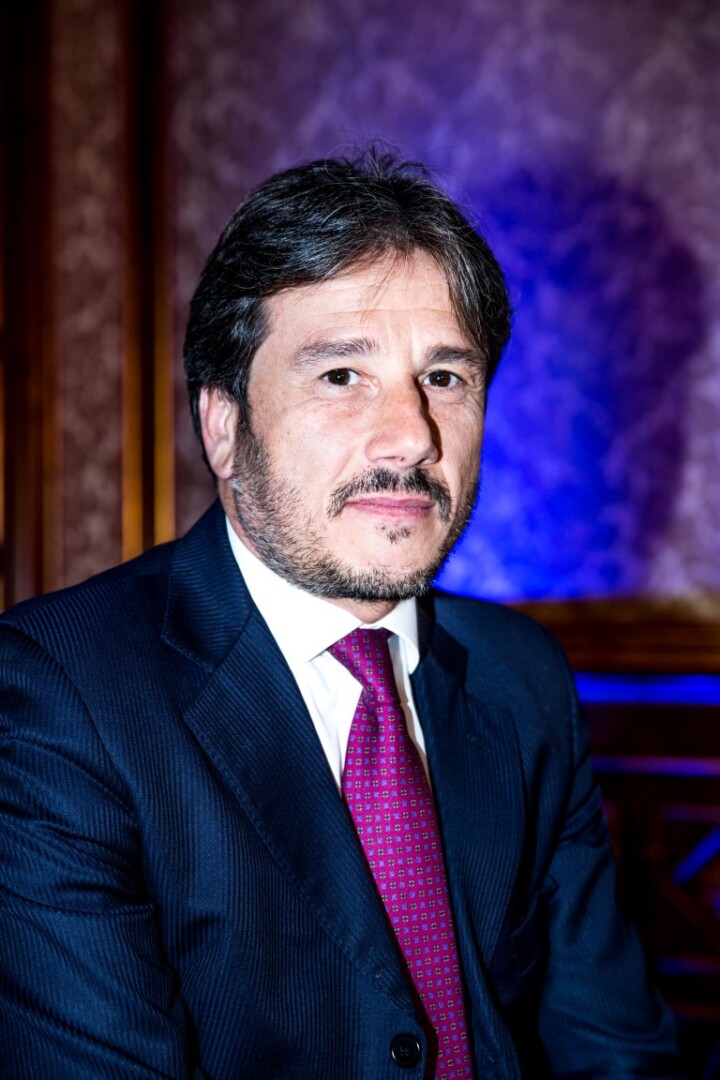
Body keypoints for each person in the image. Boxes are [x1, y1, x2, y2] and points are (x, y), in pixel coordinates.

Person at [0, 149, 682, 1079]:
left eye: (445, 378)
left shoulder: (522, 676)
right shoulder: (57, 695)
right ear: (224, 425)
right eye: (341, 375)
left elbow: (616, 1052)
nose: (411, 436)